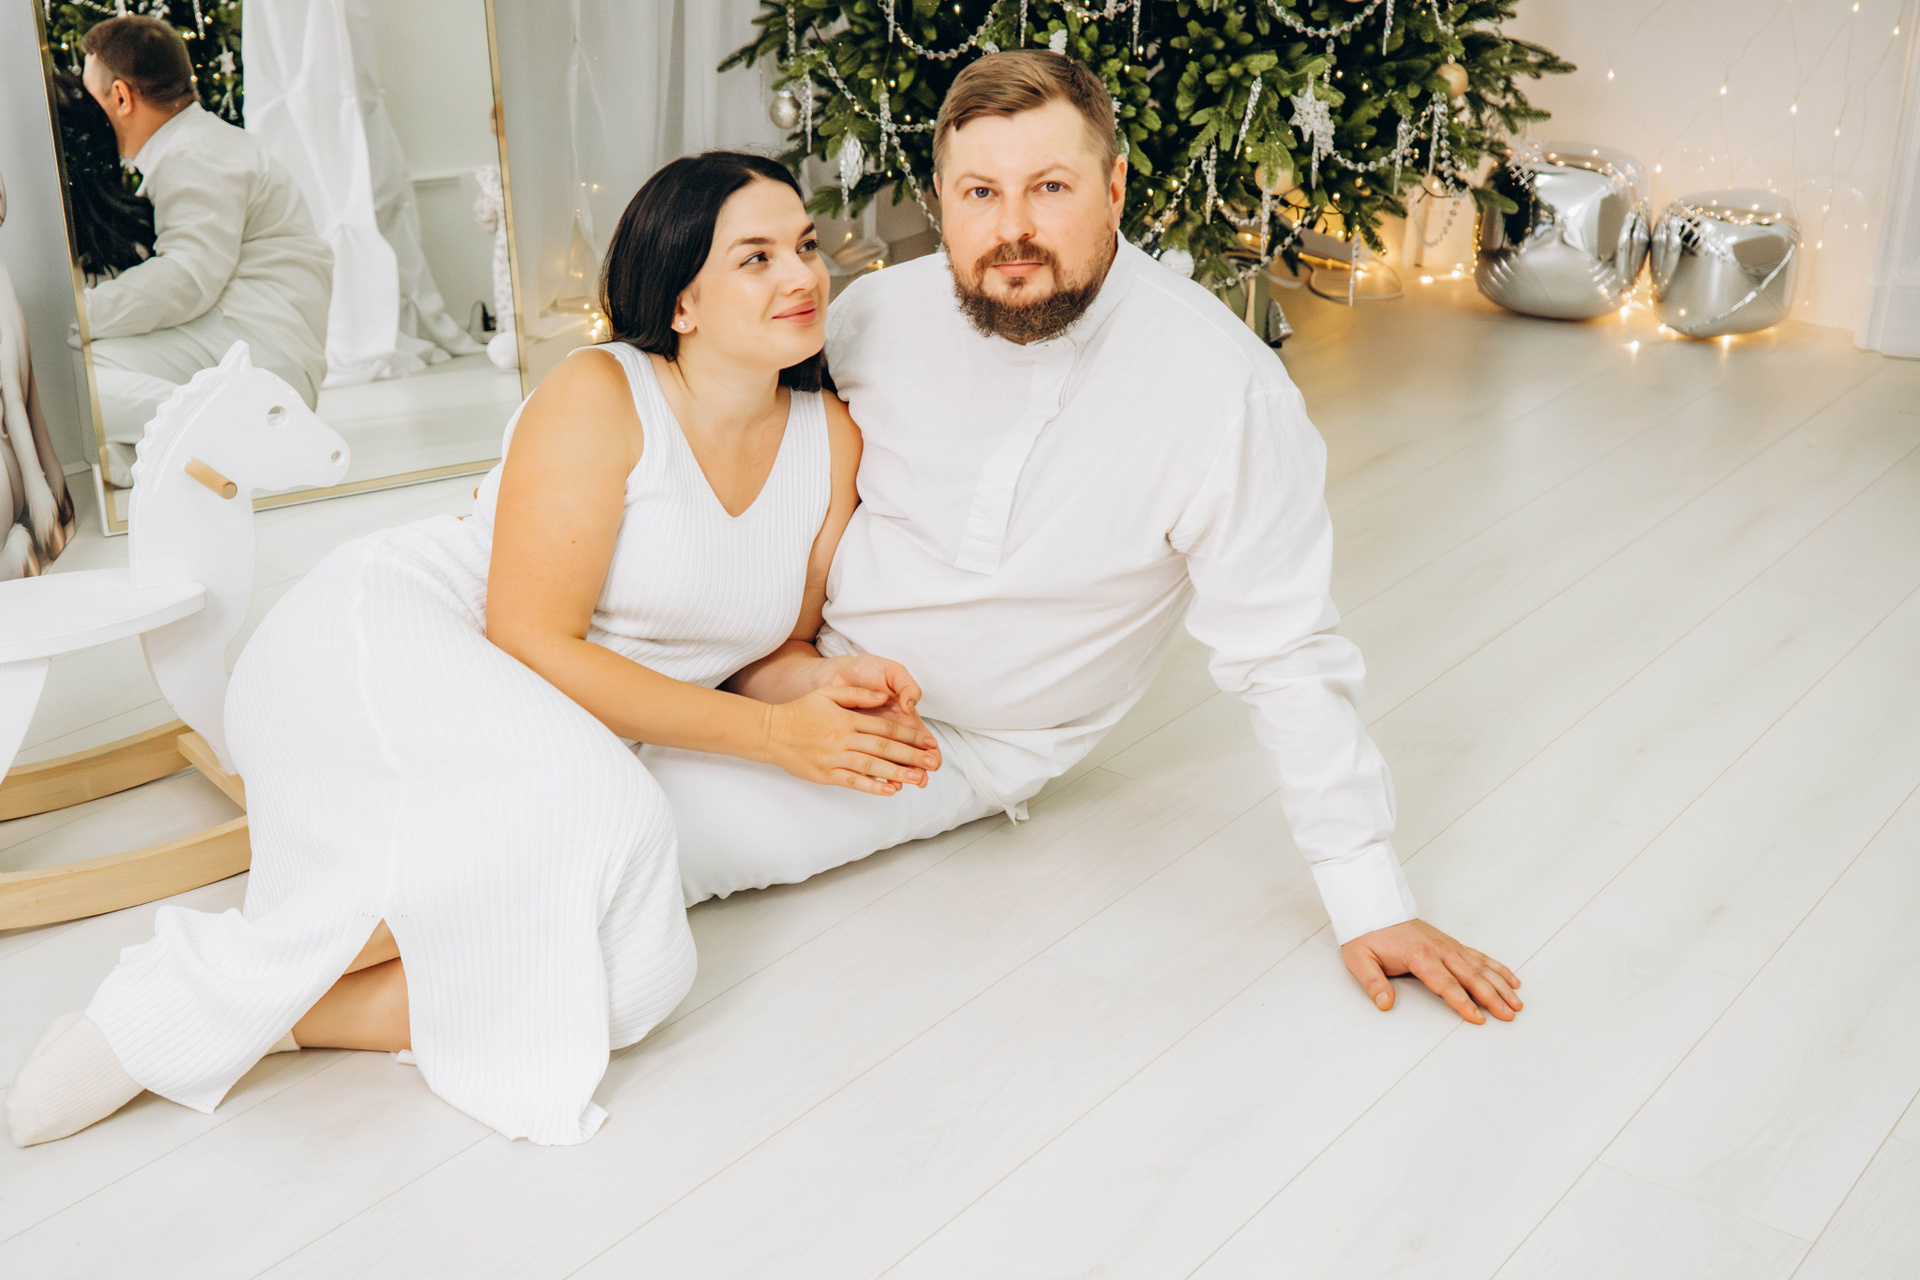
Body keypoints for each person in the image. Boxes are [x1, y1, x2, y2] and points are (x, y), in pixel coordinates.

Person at [7, 153, 939, 1148]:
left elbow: (765, 645)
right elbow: (529, 637)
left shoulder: (830, 441)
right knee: (614, 813)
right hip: (394, 634)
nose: (801, 276)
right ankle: (154, 1015)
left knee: (637, 983)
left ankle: (258, 1015)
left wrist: (829, 686)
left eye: (804, 246)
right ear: (682, 301)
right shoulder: (603, 393)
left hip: (537, 723)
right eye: (755, 257)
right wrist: (773, 738)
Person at [644, 51, 1524, 1024]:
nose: (1011, 228)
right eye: (980, 192)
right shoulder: (873, 313)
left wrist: (1370, 898)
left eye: (1050, 188)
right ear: (941, 197)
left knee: (639, 838)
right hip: (755, 637)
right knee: (556, 701)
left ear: (1114, 189)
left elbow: (1285, 652)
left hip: (942, 741)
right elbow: (738, 443)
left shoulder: (1221, 391)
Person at [75, 15, 332, 486]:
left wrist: (77, 315)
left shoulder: (195, 153)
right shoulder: (198, 144)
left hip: (259, 356)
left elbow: (187, 281)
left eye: (90, 97)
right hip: (241, 339)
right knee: (91, 368)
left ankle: (237, 431)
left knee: (75, 373)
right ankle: (161, 449)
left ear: (121, 96)